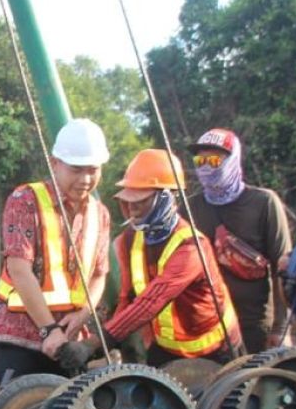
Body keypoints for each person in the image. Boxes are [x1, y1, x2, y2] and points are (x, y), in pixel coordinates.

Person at [58, 149, 243, 372]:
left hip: (216, 349)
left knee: (220, 405)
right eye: (128, 201)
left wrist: (94, 343)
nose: (131, 208)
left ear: (165, 198)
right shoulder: (127, 241)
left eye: (140, 201)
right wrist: (95, 347)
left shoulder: (191, 246)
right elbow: (127, 300)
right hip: (166, 349)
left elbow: (151, 301)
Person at [0, 118, 113, 387]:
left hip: (69, 343)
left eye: (92, 170)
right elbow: (19, 269)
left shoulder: (99, 214)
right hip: (21, 339)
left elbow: (99, 275)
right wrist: (49, 329)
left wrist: (82, 315)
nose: (85, 180)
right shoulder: (25, 201)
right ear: (55, 163)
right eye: (76, 170)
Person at [186, 128, 293, 353]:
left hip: (255, 326)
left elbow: (283, 268)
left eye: (214, 160)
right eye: (200, 160)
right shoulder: (189, 208)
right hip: (209, 329)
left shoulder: (264, 203)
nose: (206, 167)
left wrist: (281, 329)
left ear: (233, 160)